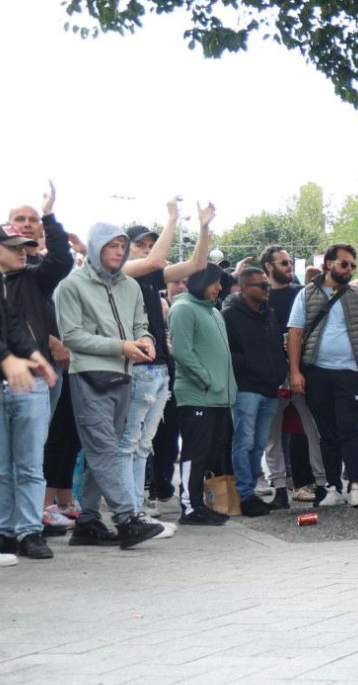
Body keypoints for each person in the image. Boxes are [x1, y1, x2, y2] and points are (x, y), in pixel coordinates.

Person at [52, 224, 166, 549]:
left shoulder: (130, 286)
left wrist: (146, 338)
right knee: (103, 450)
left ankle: (87, 521)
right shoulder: (71, 285)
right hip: (88, 375)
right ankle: (127, 518)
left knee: (102, 452)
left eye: (122, 246)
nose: (119, 251)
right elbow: (71, 336)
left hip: (124, 375)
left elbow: (141, 323)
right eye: (112, 246)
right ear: (95, 247)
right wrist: (121, 346)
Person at [123, 201, 211, 523]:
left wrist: (202, 228)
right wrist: (173, 218)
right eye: (139, 245)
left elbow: (196, 264)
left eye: (149, 243)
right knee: (130, 445)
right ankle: (131, 510)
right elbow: (157, 259)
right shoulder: (121, 272)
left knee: (143, 446)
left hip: (159, 367)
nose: (146, 250)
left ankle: (138, 510)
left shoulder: (150, 277)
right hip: (136, 367)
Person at [0, 219, 60, 570]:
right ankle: (3, 530)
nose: (23, 253)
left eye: (25, 246)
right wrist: (8, 358)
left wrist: (32, 353)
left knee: (28, 463)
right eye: (14, 247)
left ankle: (28, 531)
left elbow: (10, 322)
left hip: (15, 382)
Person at [287, 243, 358, 509]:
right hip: (317, 372)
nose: (349, 270)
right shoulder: (307, 294)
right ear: (328, 264)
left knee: (350, 430)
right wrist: (295, 371)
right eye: (344, 264)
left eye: (352, 265)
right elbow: (295, 332)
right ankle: (333, 487)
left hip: (350, 372)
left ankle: (356, 485)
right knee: (326, 433)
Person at [169, 264, 239, 525]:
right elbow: (183, 352)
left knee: (210, 452)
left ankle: (202, 503)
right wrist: (208, 381)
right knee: (195, 452)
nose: (219, 288)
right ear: (201, 281)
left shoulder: (214, 313)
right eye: (215, 282)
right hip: (197, 396)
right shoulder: (183, 309)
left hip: (218, 397)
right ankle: (189, 506)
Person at [260, 244, 324, 506]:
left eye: (289, 263)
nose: (289, 267)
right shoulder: (259, 297)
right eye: (284, 263)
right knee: (272, 434)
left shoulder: (301, 294)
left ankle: (321, 482)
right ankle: (278, 488)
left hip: (302, 371)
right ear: (269, 267)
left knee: (313, 428)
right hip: (272, 373)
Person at [224, 266, 287, 517]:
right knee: (245, 441)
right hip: (246, 388)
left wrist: (278, 373)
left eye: (268, 285)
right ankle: (245, 493)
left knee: (259, 444)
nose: (267, 289)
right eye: (262, 286)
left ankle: (250, 490)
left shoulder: (268, 314)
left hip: (269, 389)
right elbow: (229, 353)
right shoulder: (229, 315)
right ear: (244, 287)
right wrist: (250, 366)